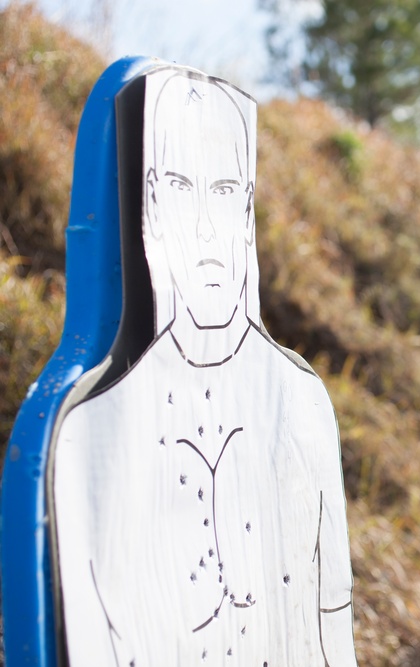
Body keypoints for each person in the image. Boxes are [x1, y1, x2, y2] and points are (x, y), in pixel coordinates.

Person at [51, 67, 356, 665]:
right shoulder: (90, 433)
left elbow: (330, 624)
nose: (203, 228)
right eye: (180, 188)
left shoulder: (302, 401)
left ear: (246, 207)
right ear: (151, 202)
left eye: (221, 191)